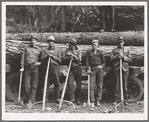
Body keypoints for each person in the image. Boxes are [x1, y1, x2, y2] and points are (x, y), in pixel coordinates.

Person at [20, 36, 42, 105]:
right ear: (30, 41)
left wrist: (39, 63)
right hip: (27, 67)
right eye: (32, 40)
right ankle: (31, 98)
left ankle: (31, 100)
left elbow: (42, 59)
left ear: (36, 41)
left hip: (35, 67)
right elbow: (23, 57)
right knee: (27, 85)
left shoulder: (39, 49)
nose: (33, 41)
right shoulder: (26, 48)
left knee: (34, 85)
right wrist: (22, 66)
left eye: (34, 40)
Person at [110, 37, 132, 105]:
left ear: (123, 42)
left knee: (125, 85)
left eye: (121, 42)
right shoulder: (114, 50)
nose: (120, 43)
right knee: (117, 85)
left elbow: (130, 59)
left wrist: (123, 57)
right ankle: (117, 99)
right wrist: (117, 56)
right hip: (117, 68)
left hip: (125, 69)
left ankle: (125, 100)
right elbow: (111, 59)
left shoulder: (127, 49)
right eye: (119, 42)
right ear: (117, 43)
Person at [86, 39, 106, 107]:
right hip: (92, 69)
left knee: (100, 85)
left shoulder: (100, 53)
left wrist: (102, 66)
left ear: (98, 46)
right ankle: (92, 101)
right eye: (93, 45)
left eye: (96, 45)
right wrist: (88, 68)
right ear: (91, 45)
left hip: (99, 70)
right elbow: (87, 61)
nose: (94, 46)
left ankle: (98, 100)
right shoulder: (89, 52)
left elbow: (104, 62)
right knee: (91, 86)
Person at [42, 36, 62, 104]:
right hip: (47, 67)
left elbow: (59, 60)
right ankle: (45, 98)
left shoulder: (57, 50)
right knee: (46, 84)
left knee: (56, 83)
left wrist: (52, 56)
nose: (51, 43)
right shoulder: (45, 50)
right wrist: (46, 56)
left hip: (55, 67)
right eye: (49, 41)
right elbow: (42, 60)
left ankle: (58, 98)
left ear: (54, 42)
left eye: (52, 41)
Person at [63, 38, 82, 105]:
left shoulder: (78, 50)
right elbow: (64, 58)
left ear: (73, 44)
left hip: (78, 68)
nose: (69, 45)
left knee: (78, 85)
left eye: (70, 44)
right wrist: (68, 57)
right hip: (71, 69)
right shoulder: (67, 50)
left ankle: (78, 99)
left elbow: (79, 59)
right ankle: (72, 99)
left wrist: (73, 56)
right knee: (70, 84)